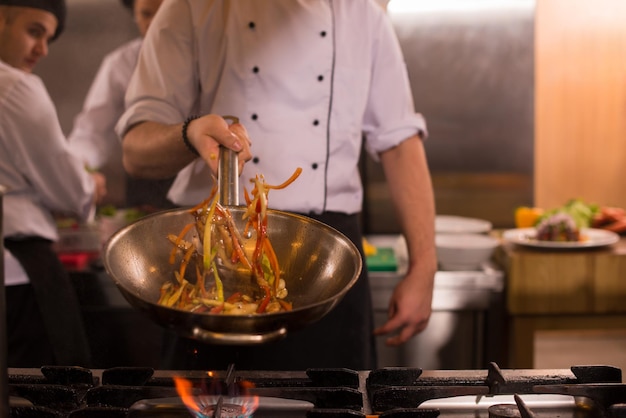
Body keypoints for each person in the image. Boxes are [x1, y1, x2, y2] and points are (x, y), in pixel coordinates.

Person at [117, 0, 436, 371]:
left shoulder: (362, 14)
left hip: (326, 263)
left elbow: (399, 144)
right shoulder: (190, 6)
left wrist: (424, 268)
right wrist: (189, 135)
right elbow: (136, 151)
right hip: (212, 256)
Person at [0, 0, 106, 367]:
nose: (42, 50)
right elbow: (66, 188)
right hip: (18, 268)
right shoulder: (15, 86)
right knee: (50, 391)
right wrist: (90, 185)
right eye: (34, 31)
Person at [68, 0, 171, 210]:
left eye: (165, 14)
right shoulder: (120, 64)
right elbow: (92, 133)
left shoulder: (209, 59)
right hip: (144, 187)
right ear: (134, 14)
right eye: (146, 14)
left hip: (204, 184)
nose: (155, 24)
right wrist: (76, 173)